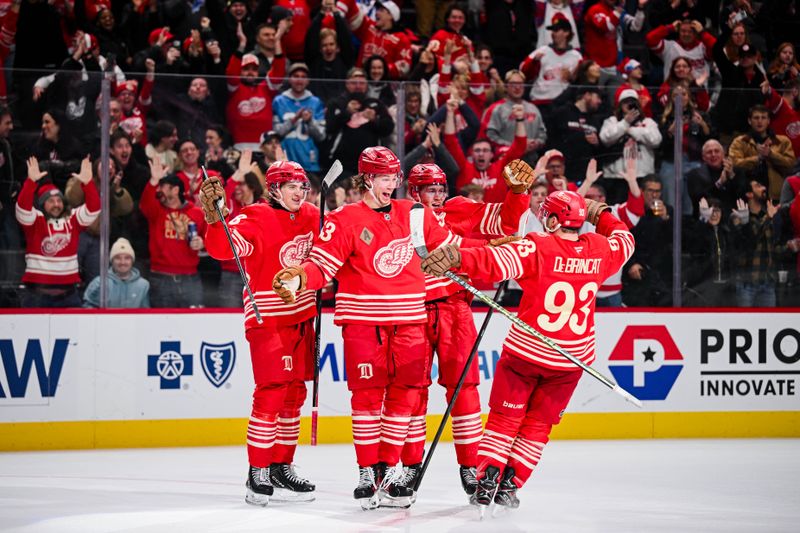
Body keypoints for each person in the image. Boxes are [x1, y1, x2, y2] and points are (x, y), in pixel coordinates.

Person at [417, 190, 634, 511]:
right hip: (571, 360)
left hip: (526, 354)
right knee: (538, 427)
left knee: (504, 419)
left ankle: (488, 476)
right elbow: (625, 238)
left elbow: (492, 262)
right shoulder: (600, 250)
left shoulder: (536, 245)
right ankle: (510, 484)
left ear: (551, 218)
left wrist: (457, 257)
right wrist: (598, 212)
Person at [271, 147, 456, 510]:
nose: (391, 185)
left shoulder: (416, 213)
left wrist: (490, 257)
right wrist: (298, 278)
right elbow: (321, 266)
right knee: (368, 400)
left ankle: (393, 467)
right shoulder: (343, 219)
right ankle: (368, 470)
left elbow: (453, 249)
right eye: (385, 179)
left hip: (409, 320)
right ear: (368, 179)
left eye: (394, 179)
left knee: (407, 397)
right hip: (362, 321)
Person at [400, 160, 540, 502]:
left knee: (464, 389)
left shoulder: (459, 209)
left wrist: (518, 192)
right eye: (429, 190)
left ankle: (469, 465)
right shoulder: (399, 216)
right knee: (411, 392)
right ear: (413, 191)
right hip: (411, 311)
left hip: (454, 308)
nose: (437, 196)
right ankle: (410, 464)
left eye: (440, 189)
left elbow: (506, 221)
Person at [200, 160, 318, 505]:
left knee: (295, 393)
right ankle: (258, 470)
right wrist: (213, 218)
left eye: (302, 186)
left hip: (302, 316)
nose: (299, 192)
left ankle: (282, 465)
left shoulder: (312, 214)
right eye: (292, 186)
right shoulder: (254, 216)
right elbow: (223, 249)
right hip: (268, 316)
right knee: (272, 391)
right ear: (275, 189)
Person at [16, 156, 99, 308]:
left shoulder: (72, 219)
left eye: (59, 200)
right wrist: (30, 183)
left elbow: (93, 209)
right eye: (51, 201)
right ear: (42, 203)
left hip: (68, 296)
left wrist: (88, 184)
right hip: (36, 296)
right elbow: (22, 208)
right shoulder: (35, 220)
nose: (56, 204)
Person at [139, 162, 206, 308]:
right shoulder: (156, 211)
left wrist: (203, 243)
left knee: (194, 324)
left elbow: (212, 238)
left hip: (190, 278)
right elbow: (145, 203)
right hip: (161, 277)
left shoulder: (197, 213)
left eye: (162, 187)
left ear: (175, 190)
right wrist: (153, 181)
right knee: (161, 326)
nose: (158, 191)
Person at [446, 98, 527, 203]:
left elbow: (520, 146)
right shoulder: (464, 168)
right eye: (477, 150)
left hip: (495, 218)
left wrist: (520, 119)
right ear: (472, 154)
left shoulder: (502, 168)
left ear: (491, 155)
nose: (481, 154)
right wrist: (449, 112)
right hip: (470, 217)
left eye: (485, 150)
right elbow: (450, 142)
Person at [225, 23, 287, 149]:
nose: (250, 72)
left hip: (264, 148)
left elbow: (279, 72)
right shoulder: (234, 89)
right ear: (240, 71)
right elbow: (231, 73)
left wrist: (277, 42)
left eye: (254, 69)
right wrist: (242, 44)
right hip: (239, 147)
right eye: (246, 69)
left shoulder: (266, 88)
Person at [599, 89, 662, 204]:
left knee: (640, 210)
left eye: (632, 102)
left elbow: (656, 140)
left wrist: (631, 129)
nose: (629, 105)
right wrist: (625, 123)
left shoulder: (648, 122)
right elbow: (605, 138)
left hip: (642, 176)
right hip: (616, 176)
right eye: (626, 102)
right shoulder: (612, 121)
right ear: (620, 105)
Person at [730, 180, 784, 307]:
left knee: (769, 323)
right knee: (744, 323)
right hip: (747, 283)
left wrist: (790, 246)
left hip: (768, 282)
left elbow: (772, 248)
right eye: (758, 186)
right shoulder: (737, 216)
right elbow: (751, 240)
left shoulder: (769, 214)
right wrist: (768, 218)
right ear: (749, 194)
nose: (764, 187)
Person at [729, 105, 796, 203]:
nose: (760, 121)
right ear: (749, 120)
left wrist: (771, 154)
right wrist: (758, 158)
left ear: (768, 121)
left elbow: (791, 165)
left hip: (776, 196)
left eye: (763, 118)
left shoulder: (782, 141)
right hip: (748, 195)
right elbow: (734, 164)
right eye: (756, 118)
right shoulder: (740, 142)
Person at [272, 63, 326, 172]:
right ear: (289, 79)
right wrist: (294, 119)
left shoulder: (316, 102)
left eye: (303, 77)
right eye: (296, 76)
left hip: (309, 163)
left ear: (308, 80)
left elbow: (321, 136)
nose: (299, 80)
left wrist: (310, 121)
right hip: (285, 162)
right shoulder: (279, 101)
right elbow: (277, 133)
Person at [83, 238, 150, 308]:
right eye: (118, 258)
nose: (122, 262)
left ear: (132, 261)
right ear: (112, 261)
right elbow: (88, 308)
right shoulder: (99, 282)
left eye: (127, 258)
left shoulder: (143, 285)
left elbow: (146, 313)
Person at [687, 140, 744, 218]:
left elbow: (743, 196)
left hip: (732, 217)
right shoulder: (695, 174)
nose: (713, 155)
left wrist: (732, 176)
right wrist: (719, 183)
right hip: (707, 218)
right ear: (703, 157)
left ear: (723, 154)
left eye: (717, 151)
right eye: (709, 152)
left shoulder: (737, 172)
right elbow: (698, 199)